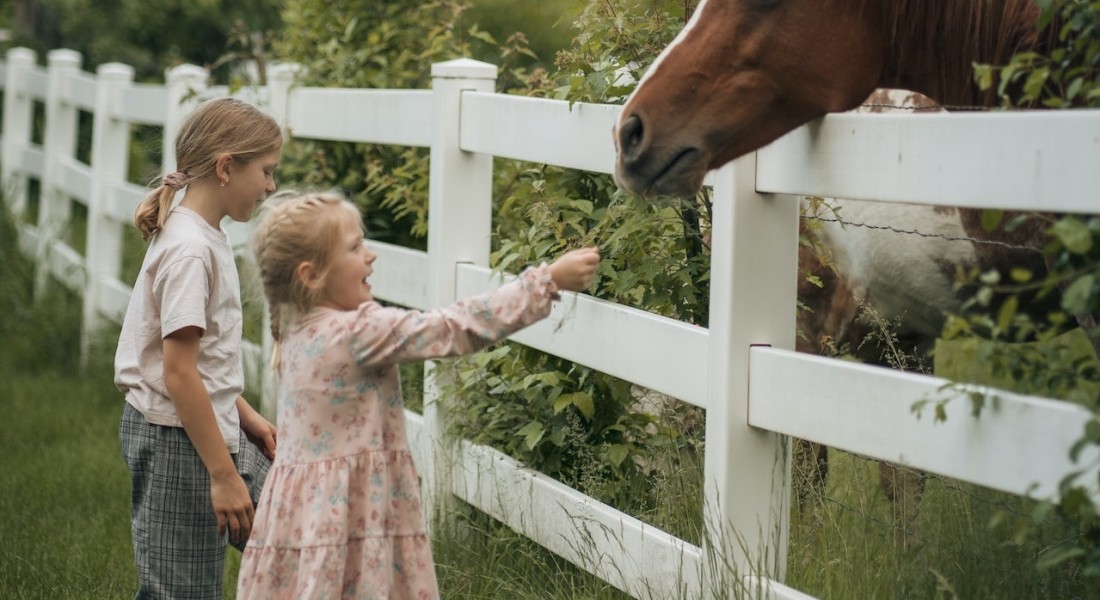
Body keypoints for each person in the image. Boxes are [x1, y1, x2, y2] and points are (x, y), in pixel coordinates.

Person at [236, 191, 600, 599]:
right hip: (354, 515)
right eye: (355, 247)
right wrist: (546, 281)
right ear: (310, 274)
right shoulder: (357, 332)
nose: (370, 256)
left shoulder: (298, 331)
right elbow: (451, 328)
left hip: (306, 514)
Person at [115, 96, 283, 599]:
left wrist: (244, 414)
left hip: (206, 424)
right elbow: (179, 373)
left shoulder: (205, 236)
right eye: (267, 171)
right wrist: (224, 476)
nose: (272, 186)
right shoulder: (190, 250)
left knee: (288, 532)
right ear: (226, 167)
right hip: (174, 439)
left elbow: (201, 366)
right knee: (182, 591)